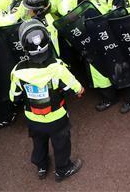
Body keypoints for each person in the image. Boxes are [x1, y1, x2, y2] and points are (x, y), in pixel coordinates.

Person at [9, 20, 84, 181]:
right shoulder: (57, 67)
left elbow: (14, 97)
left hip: (33, 118)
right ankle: (62, 169)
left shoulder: (17, 71)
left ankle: (42, 167)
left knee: (38, 141)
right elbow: (77, 89)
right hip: (57, 117)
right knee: (61, 143)